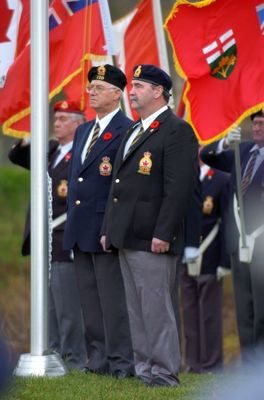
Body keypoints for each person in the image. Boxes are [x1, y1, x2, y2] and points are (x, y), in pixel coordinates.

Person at [101, 64, 198, 387]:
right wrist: (108, 229)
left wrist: (163, 233)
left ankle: (164, 373)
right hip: (127, 234)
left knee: (156, 308)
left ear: (158, 91)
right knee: (137, 309)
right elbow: (118, 187)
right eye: (132, 85)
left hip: (152, 235)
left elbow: (179, 188)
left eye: (139, 85)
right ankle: (145, 370)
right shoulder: (134, 130)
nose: (132, 91)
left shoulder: (176, 130)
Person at [63, 64, 134, 378]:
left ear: (117, 94)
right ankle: (98, 361)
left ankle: (122, 362)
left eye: (98, 88)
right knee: (89, 301)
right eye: (90, 86)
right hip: (80, 226)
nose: (91, 91)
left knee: (113, 301)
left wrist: (113, 227)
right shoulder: (82, 130)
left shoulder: (127, 129)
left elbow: (124, 185)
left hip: (105, 227)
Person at [8, 100, 87, 369]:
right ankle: (54, 356)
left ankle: (75, 359)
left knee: (68, 308)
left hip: (65, 237)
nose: (57, 123)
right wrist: (26, 137)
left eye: (64, 118)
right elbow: (16, 157)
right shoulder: (51, 150)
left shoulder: (81, 152)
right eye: (56, 118)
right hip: (44, 239)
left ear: (78, 123)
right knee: (50, 307)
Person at [200, 109, 264, 364]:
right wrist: (225, 142)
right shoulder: (244, 151)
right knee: (245, 308)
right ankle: (250, 361)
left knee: (262, 309)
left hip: (261, 244)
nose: (258, 127)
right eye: (256, 123)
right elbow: (206, 155)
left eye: (262, 124)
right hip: (240, 242)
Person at [181, 149, 230, 373]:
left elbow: (227, 222)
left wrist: (225, 261)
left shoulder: (221, 178)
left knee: (209, 313)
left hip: (211, 254)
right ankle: (193, 363)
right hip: (184, 255)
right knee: (189, 312)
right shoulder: (182, 178)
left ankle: (212, 364)